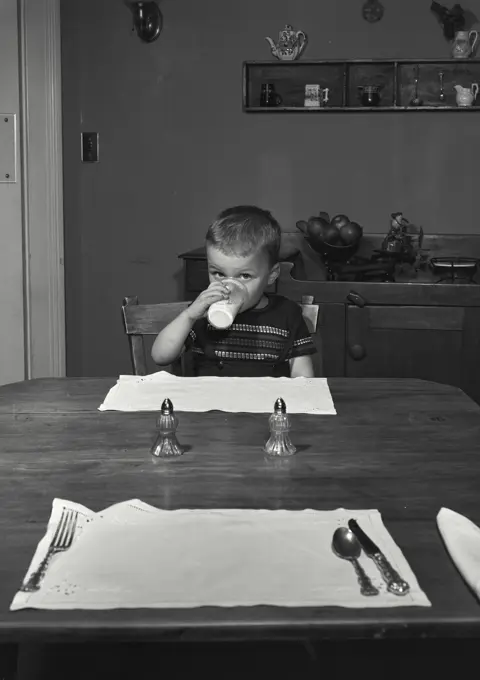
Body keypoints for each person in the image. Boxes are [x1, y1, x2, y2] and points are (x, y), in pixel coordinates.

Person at [151, 205, 317, 377]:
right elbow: (160, 357)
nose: (229, 286)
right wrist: (189, 316)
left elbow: (303, 379)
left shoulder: (287, 314)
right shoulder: (202, 312)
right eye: (218, 273)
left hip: (263, 401)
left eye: (244, 275)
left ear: (271, 275)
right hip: (210, 401)